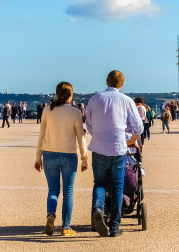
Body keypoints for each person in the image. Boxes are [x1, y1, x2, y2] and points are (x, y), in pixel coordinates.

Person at [86, 70, 144, 238]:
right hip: (119, 148)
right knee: (118, 187)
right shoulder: (126, 100)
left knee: (100, 184)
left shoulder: (94, 99)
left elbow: (88, 125)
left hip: (98, 148)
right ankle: (114, 226)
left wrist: (97, 134)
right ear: (122, 84)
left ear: (106, 81)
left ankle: (98, 208)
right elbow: (139, 127)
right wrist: (132, 140)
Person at [35, 82, 89, 237]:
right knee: (68, 192)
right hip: (68, 156)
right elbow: (81, 138)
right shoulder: (75, 112)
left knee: (53, 190)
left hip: (49, 154)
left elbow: (41, 136)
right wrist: (84, 159)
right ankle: (66, 227)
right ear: (70, 95)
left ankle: (51, 215)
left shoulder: (47, 109)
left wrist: (38, 157)